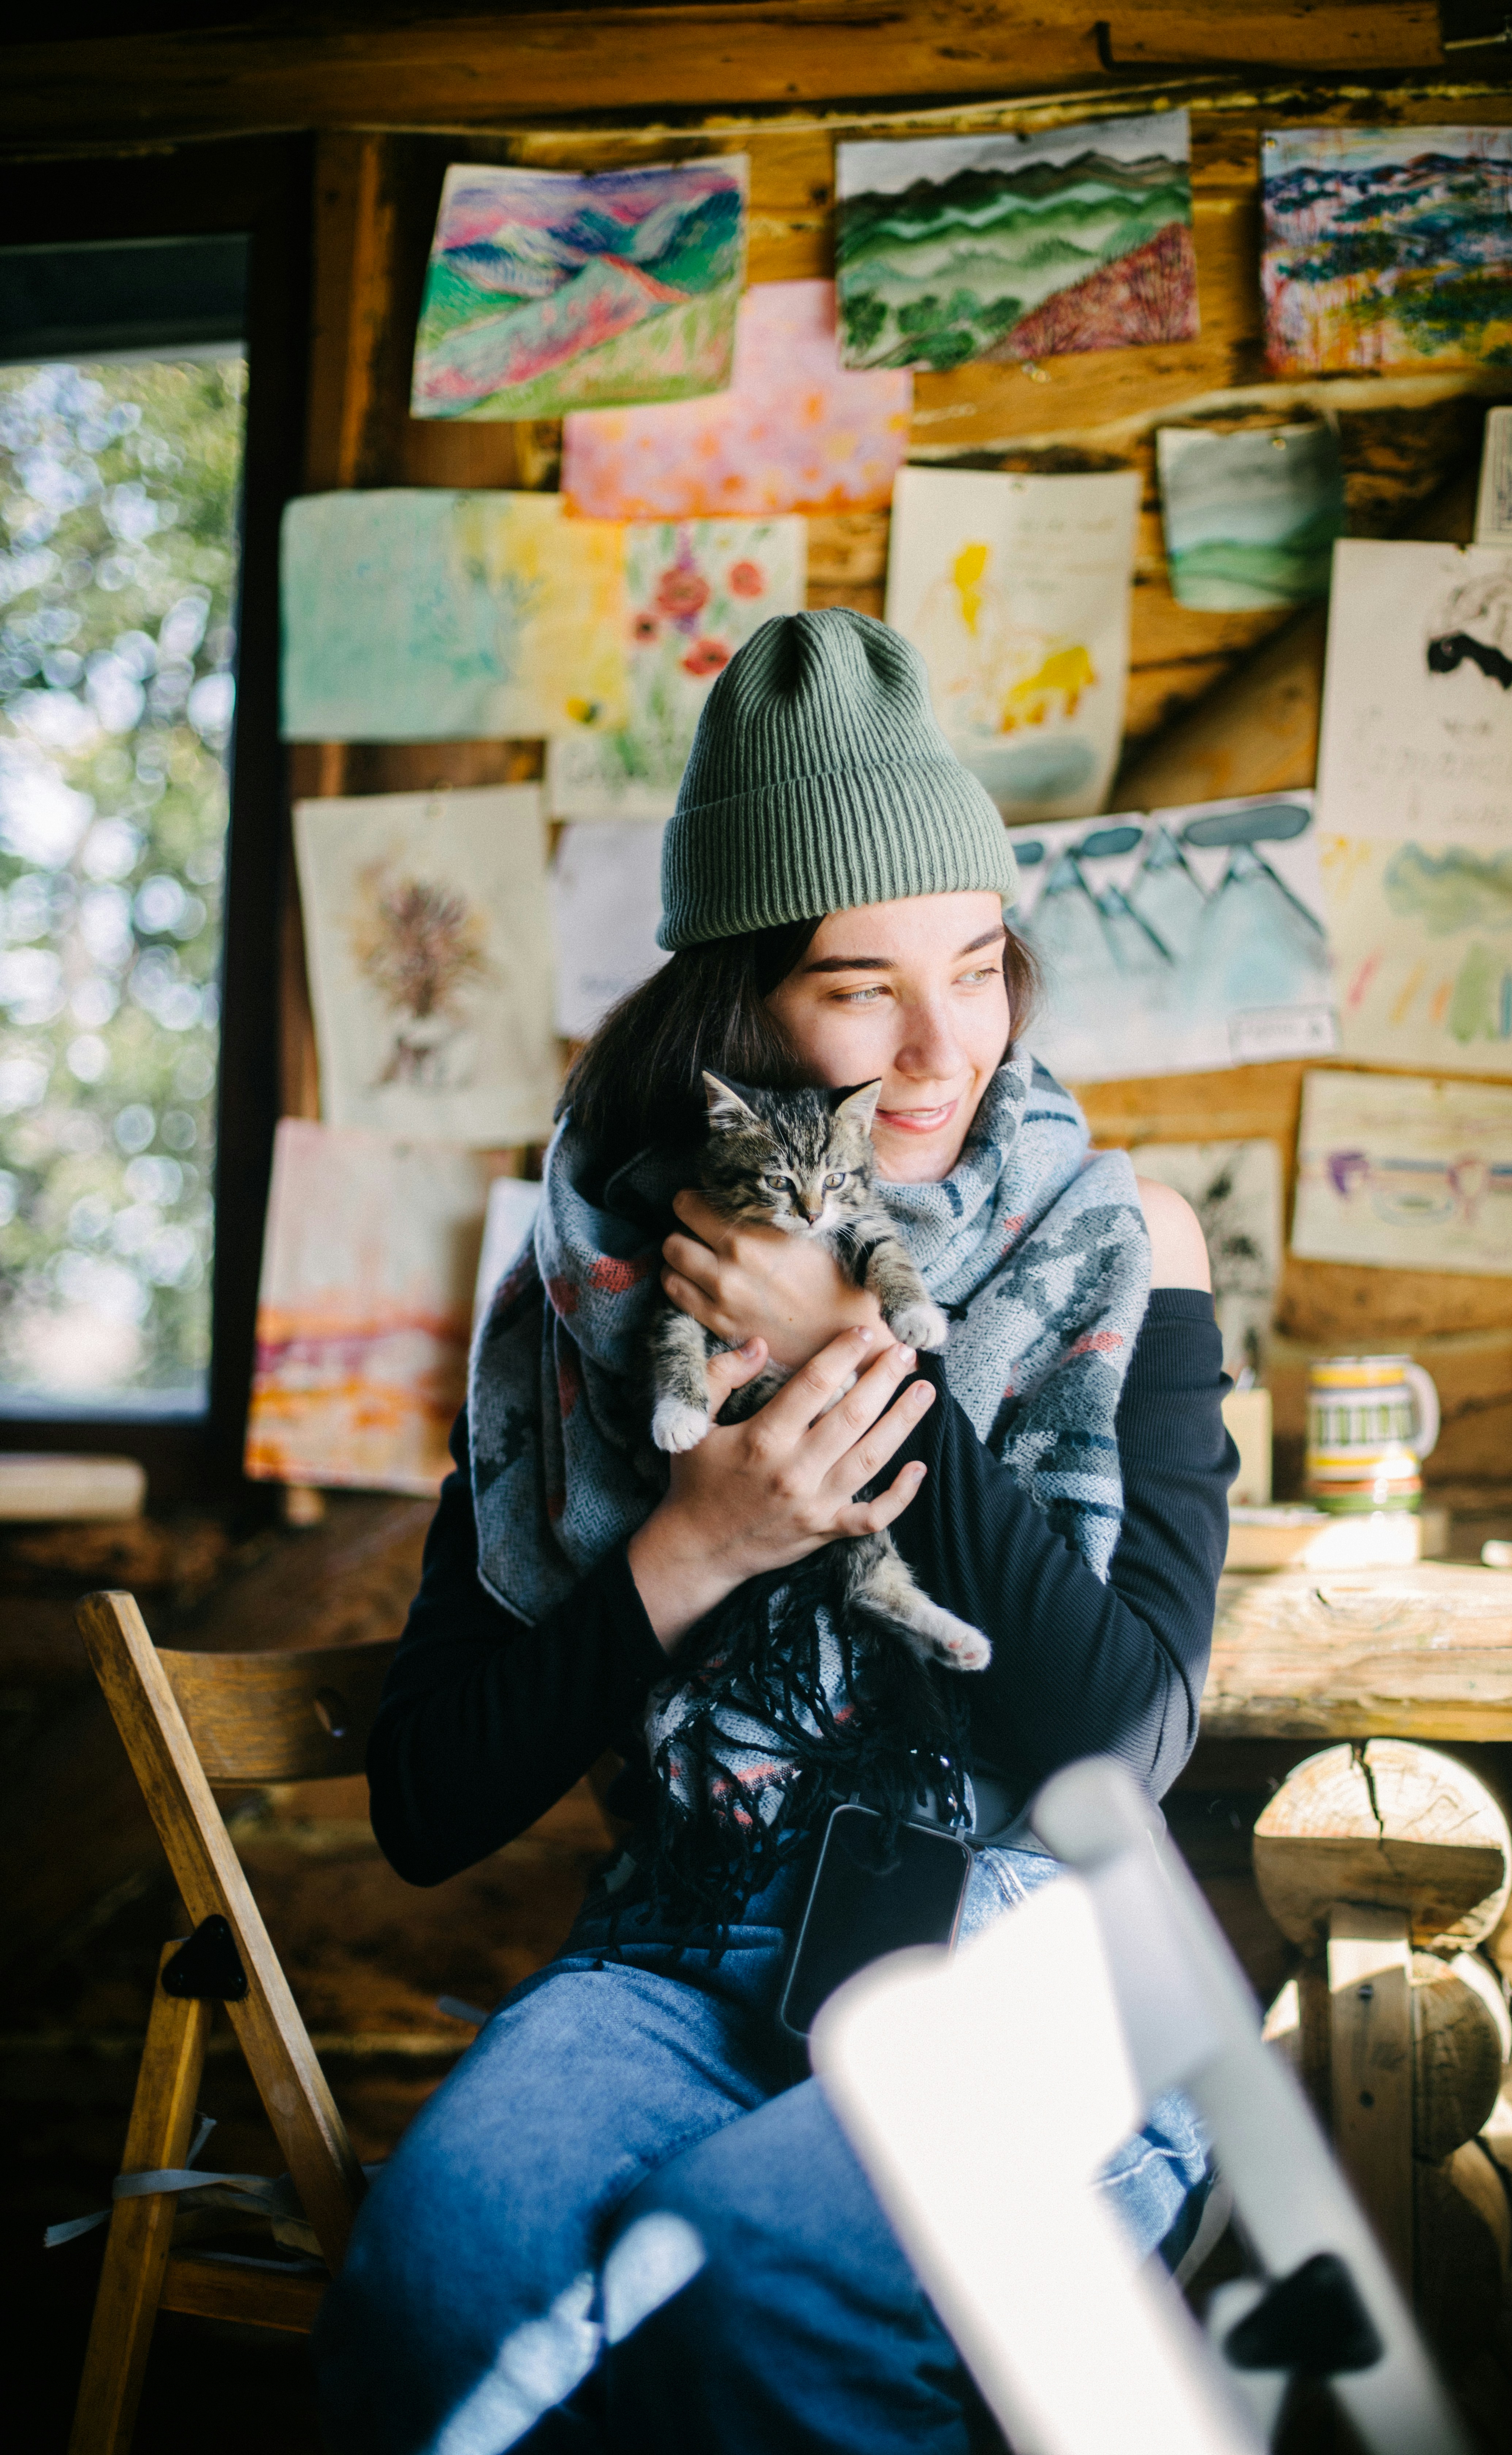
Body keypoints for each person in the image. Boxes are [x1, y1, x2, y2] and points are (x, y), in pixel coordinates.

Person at [313, 610, 1235, 2455]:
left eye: (976, 967)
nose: (942, 1047)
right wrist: (694, 1545)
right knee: (438, 2274)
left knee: (761, 2265)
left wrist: (850, 1350)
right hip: (684, 1948)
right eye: (859, 989)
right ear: (741, 1012)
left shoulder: (1122, 1252)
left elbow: (1120, 1743)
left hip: (1031, 1960)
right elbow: (427, 1803)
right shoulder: (585, 1295)